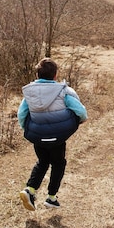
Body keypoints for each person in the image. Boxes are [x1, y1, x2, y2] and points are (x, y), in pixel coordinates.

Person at [17, 58, 87, 211]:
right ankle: (51, 198)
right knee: (58, 163)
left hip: (38, 136)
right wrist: (79, 122)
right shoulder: (64, 91)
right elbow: (81, 111)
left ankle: (30, 190)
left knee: (42, 162)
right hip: (57, 138)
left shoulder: (30, 94)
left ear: (37, 75)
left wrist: (29, 129)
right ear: (56, 75)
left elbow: (21, 114)